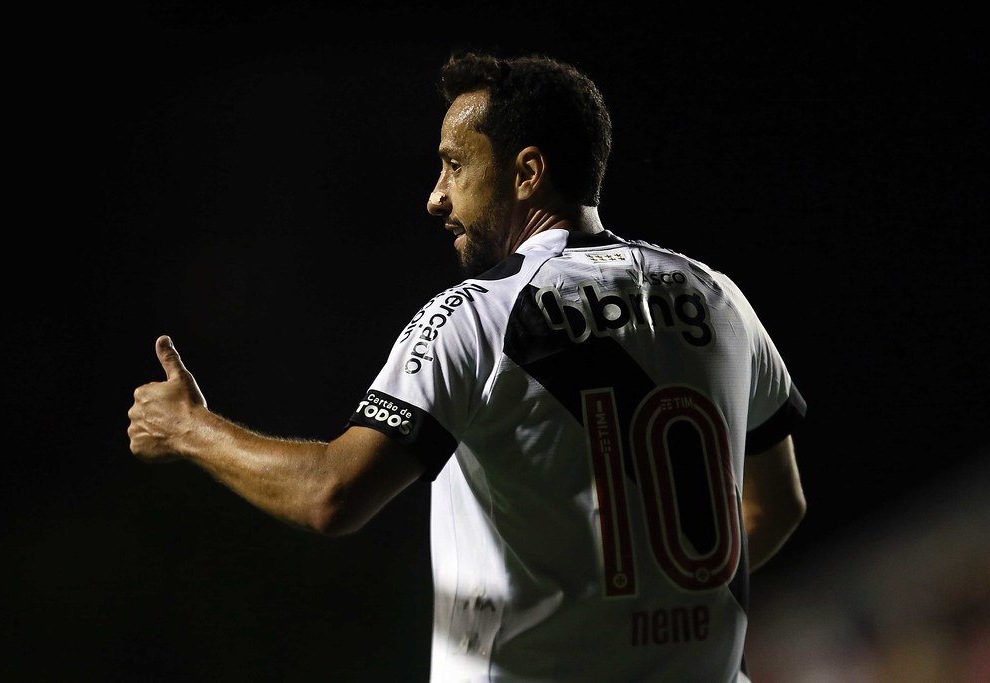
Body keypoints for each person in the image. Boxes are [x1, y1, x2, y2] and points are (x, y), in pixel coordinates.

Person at [128, 51, 807, 683]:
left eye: (454, 165)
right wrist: (649, 612)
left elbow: (330, 495)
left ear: (527, 172)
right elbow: (778, 504)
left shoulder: (479, 314)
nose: (436, 196)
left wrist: (189, 427)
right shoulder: (717, 296)